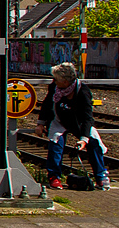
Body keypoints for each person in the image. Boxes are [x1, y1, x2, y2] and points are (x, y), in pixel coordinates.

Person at [35, 61, 110, 190]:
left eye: (57, 79)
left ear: (65, 81)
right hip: (59, 120)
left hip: (79, 122)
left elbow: (88, 118)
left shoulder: (83, 92)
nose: (54, 81)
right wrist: (41, 123)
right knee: (56, 143)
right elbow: (47, 103)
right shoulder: (55, 87)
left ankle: (100, 175)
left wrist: (84, 139)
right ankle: (54, 176)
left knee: (94, 143)